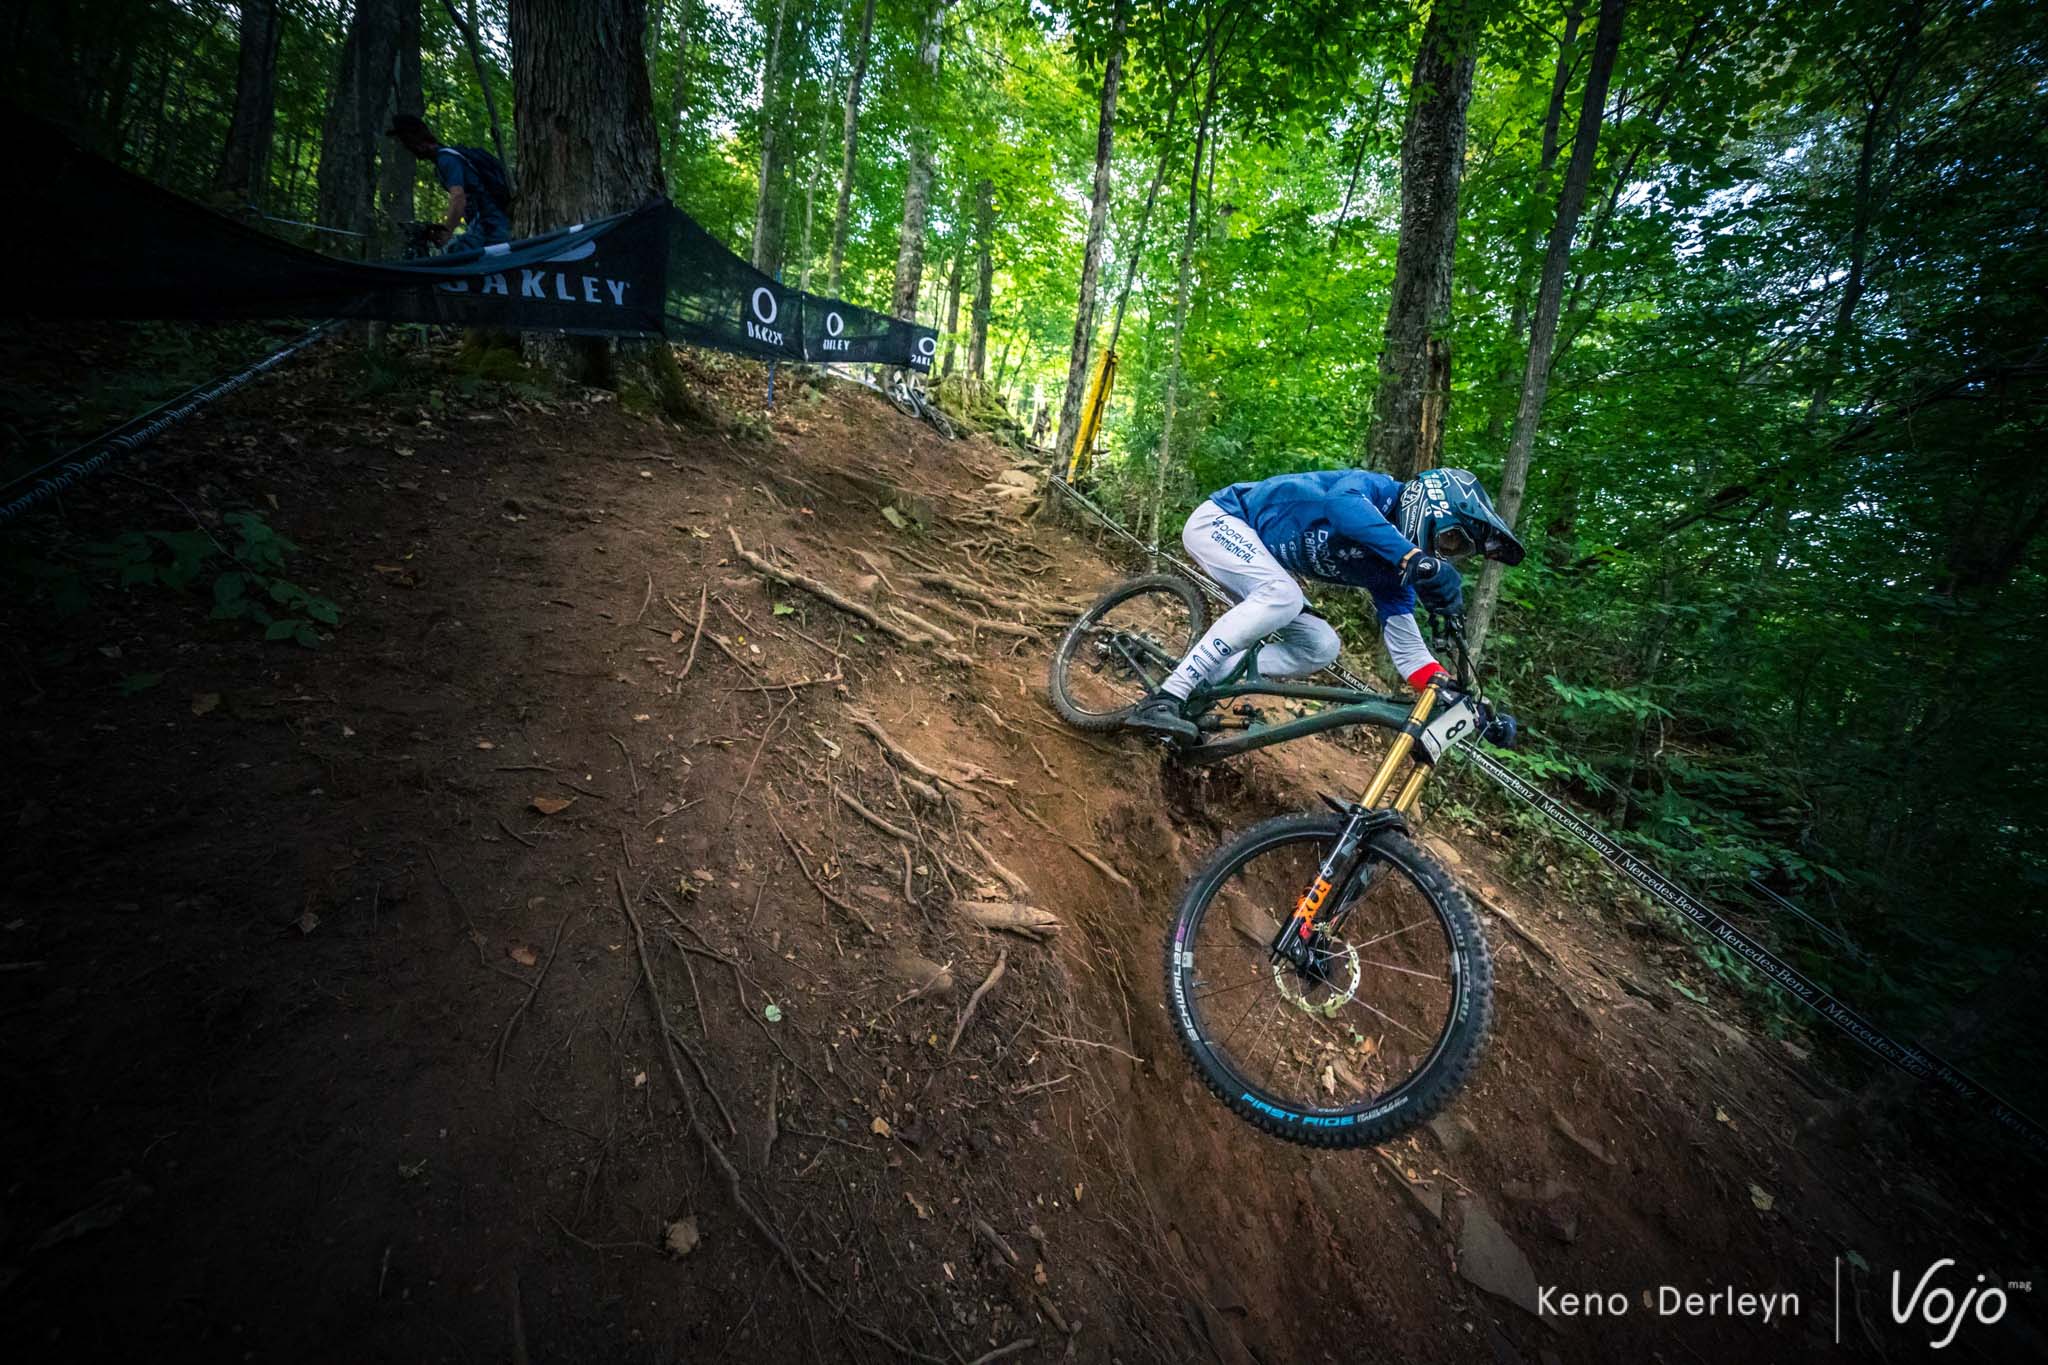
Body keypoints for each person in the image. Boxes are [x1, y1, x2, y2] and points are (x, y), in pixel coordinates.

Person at [1124, 467, 1525, 743]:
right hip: (1221, 521)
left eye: (1455, 552)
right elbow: (1341, 507)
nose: (1445, 554)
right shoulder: (1375, 491)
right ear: (1431, 507)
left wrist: (1454, 696)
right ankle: (1167, 697)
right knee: (1283, 595)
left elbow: (1409, 654)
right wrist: (1412, 557)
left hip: (1261, 561)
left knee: (1321, 645)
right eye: (1450, 540)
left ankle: (1205, 680)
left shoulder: (1392, 571)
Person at [385, 114, 513, 250]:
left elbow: (458, 198)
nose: (407, 148)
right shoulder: (445, 159)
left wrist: (446, 233)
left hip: (492, 228)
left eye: (406, 142)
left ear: (415, 140)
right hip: (488, 226)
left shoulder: (446, 160)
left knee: (458, 255)